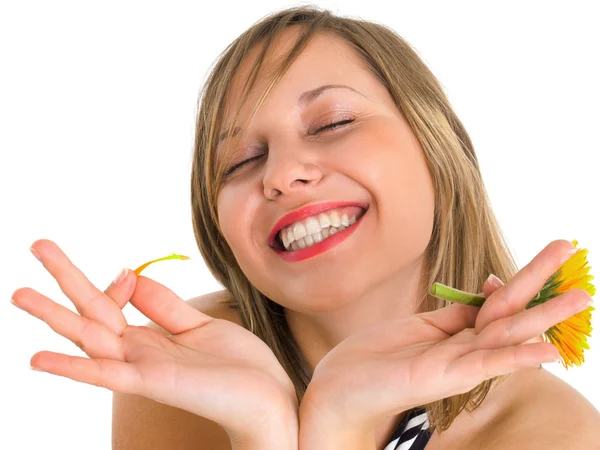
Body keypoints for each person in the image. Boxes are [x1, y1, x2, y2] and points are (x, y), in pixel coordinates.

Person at [11, 5, 599, 450]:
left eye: (333, 122)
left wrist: (338, 425)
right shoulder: (183, 370)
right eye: (240, 161)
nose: (282, 174)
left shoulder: (554, 431)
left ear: (436, 145)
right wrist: (264, 428)